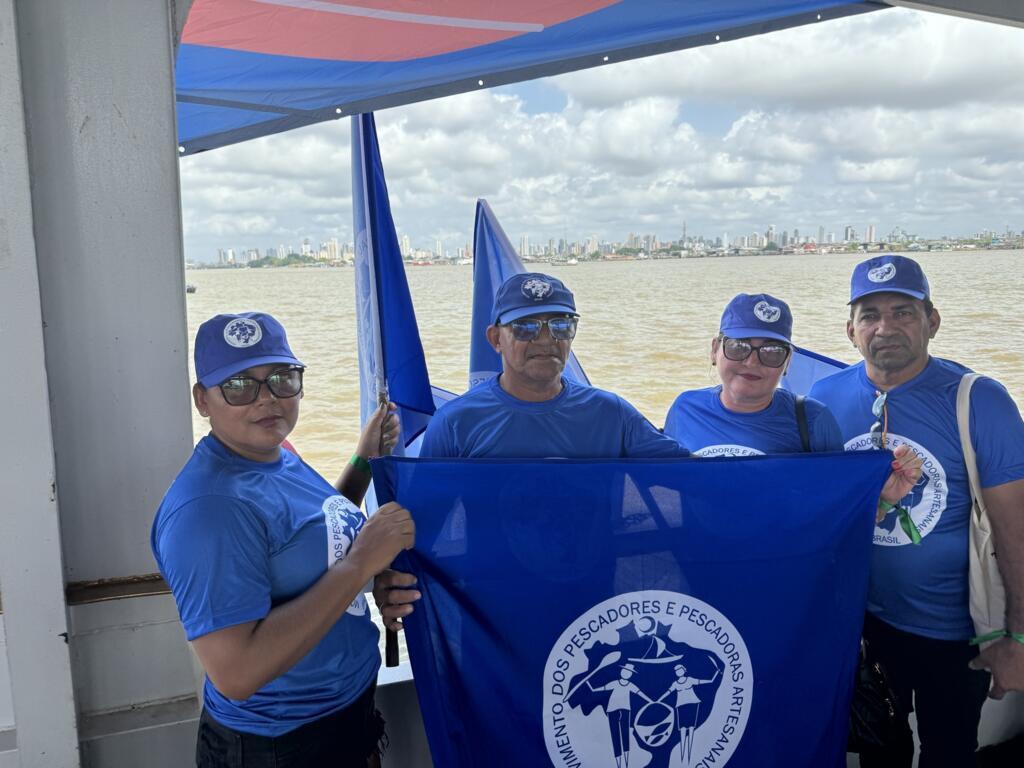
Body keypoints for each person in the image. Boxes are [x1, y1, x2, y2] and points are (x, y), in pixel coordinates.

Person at [151, 311, 419, 768]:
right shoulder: (210, 509)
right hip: (281, 746)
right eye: (239, 385)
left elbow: (308, 537)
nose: (266, 399)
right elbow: (238, 672)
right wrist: (360, 566)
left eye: (282, 378)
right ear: (202, 399)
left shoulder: (273, 455)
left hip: (345, 719)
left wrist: (363, 462)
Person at [809, 255, 1024, 767]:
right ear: (850, 330)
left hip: (956, 632)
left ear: (932, 321)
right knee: (880, 748)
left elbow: (1015, 531)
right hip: (862, 626)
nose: (886, 327)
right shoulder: (821, 399)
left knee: (948, 750)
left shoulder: (979, 400)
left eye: (904, 312)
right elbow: (815, 512)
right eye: (870, 314)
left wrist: (1016, 638)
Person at [664, 292, 921, 504]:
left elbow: (836, 511)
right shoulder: (685, 409)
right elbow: (667, 491)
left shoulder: (811, 419)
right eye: (738, 346)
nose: (752, 361)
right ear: (714, 350)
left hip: (784, 561)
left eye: (772, 352)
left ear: (787, 362)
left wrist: (885, 500)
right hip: (700, 559)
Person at [419, 272, 688, 459]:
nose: (546, 340)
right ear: (495, 338)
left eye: (561, 325)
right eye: (526, 327)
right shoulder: (455, 423)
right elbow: (425, 516)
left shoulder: (611, 415)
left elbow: (693, 473)